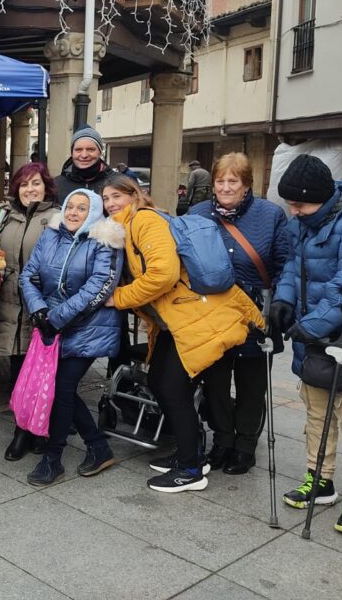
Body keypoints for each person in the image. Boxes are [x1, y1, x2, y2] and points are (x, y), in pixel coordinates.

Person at [102, 174, 262, 493]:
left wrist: (118, 298)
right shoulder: (126, 227)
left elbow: (163, 274)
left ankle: (190, 469)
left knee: (172, 388)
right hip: (178, 320)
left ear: (135, 196)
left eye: (117, 196)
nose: (110, 204)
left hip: (198, 316)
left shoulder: (144, 220)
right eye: (105, 199)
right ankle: (191, 455)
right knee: (160, 382)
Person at [271, 154, 342, 537]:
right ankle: (320, 480)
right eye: (290, 203)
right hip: (315, 339)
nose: (293, 211)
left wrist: (307, 327)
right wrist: (283, 301)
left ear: (321, 198)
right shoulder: (302, 224)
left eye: (299, 204)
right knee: (317, 415)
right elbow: (292, 267)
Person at [188, 153, 289, 475]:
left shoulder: (270, 215)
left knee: (251, 385)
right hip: (211, 315)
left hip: (254, 316)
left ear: (247, 185)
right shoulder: (197, 214)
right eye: (220, 181)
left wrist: (282, 301)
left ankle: (245, 446)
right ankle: (222, 440)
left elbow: (285, 264)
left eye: (234, 181)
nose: (226, 187)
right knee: (215, 383)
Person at [19, 189, 125, 485]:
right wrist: (39, 310)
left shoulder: (106, 240)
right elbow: (28, 275)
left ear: (94, 212)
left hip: (89, 327)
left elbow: (99, 287)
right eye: (70, 206)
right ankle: (98, 446)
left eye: (82, 208)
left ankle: (52, 458)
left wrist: (55, 318)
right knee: (60, 387)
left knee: (61, 386)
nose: (73, 212)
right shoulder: (51, 235)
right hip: (51, 323)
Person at [0, 162, 59, 460]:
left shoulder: (57, 217)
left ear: (46, 186)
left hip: (41, 303)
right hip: (11, 302)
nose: (29, 189)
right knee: (18, 369)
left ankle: (40, 429)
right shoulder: (6, 216)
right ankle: (21, 429)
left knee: (43, 372)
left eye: (36, 183)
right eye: (24, 184)